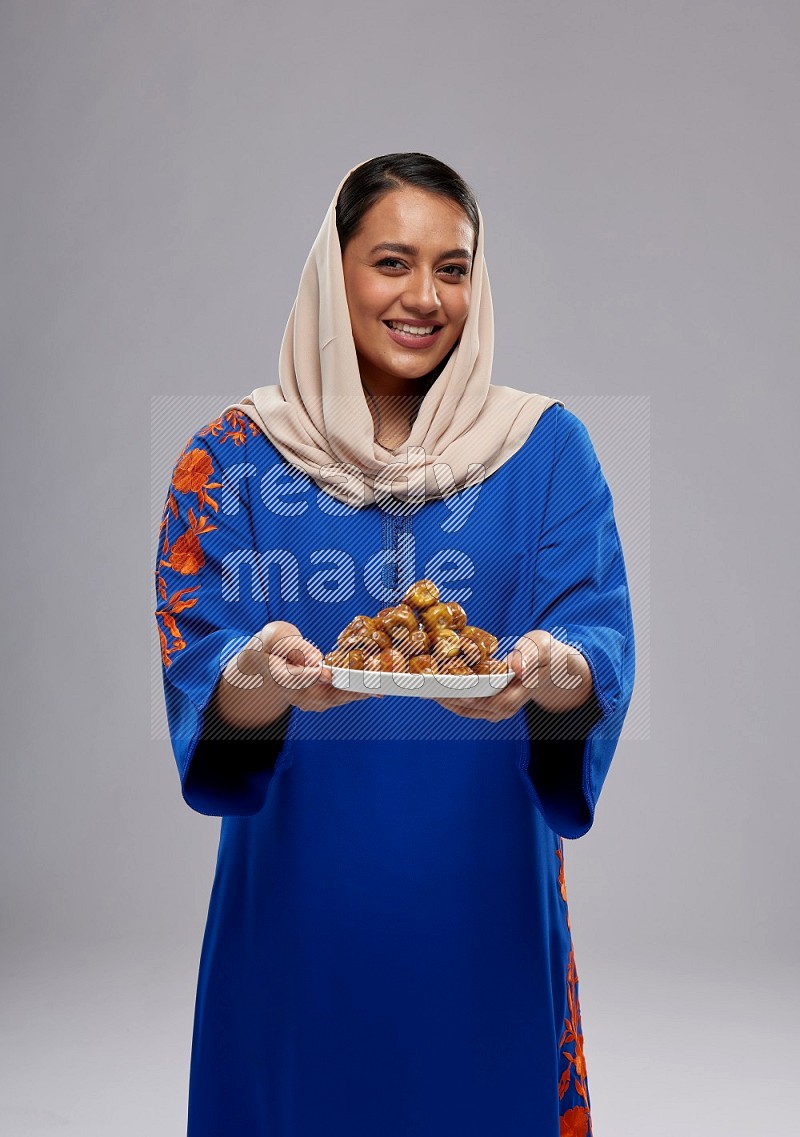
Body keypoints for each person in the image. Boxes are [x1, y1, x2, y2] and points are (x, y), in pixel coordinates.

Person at [154, 152, 635, 1137]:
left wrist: (549, 669)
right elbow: (202, 672)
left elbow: (595, 634)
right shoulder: (230, 460)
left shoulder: (544, 449)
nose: (424, 297)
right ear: (332, 273)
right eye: (390, 262)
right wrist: (262, 674)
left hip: (483, 896)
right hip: (296, 906)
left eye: (451, 268)